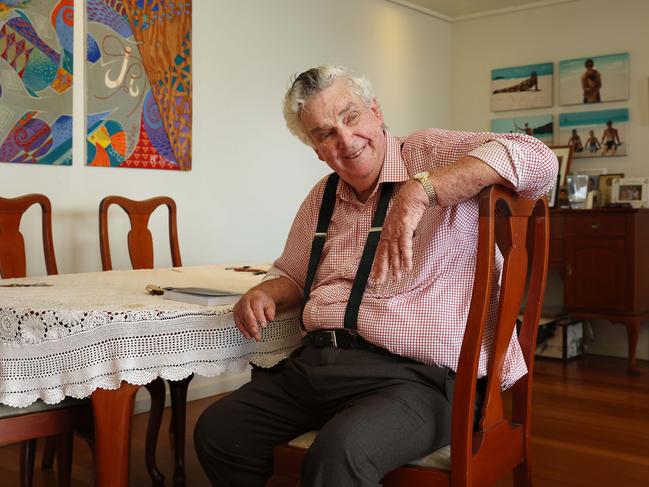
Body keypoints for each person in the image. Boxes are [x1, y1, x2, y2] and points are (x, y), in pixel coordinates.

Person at [193, 65, 557, 487]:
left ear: (375, 111)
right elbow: (293, 275)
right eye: (325, 133)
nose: (345, 140)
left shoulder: (428, 154)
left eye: (350, 117)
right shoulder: (322, 196)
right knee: (218, 432)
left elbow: (538, 159)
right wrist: (265, 293)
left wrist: (420, 190)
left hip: (420, 379)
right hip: (318, 366)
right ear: (315, 149)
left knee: (339, 455)